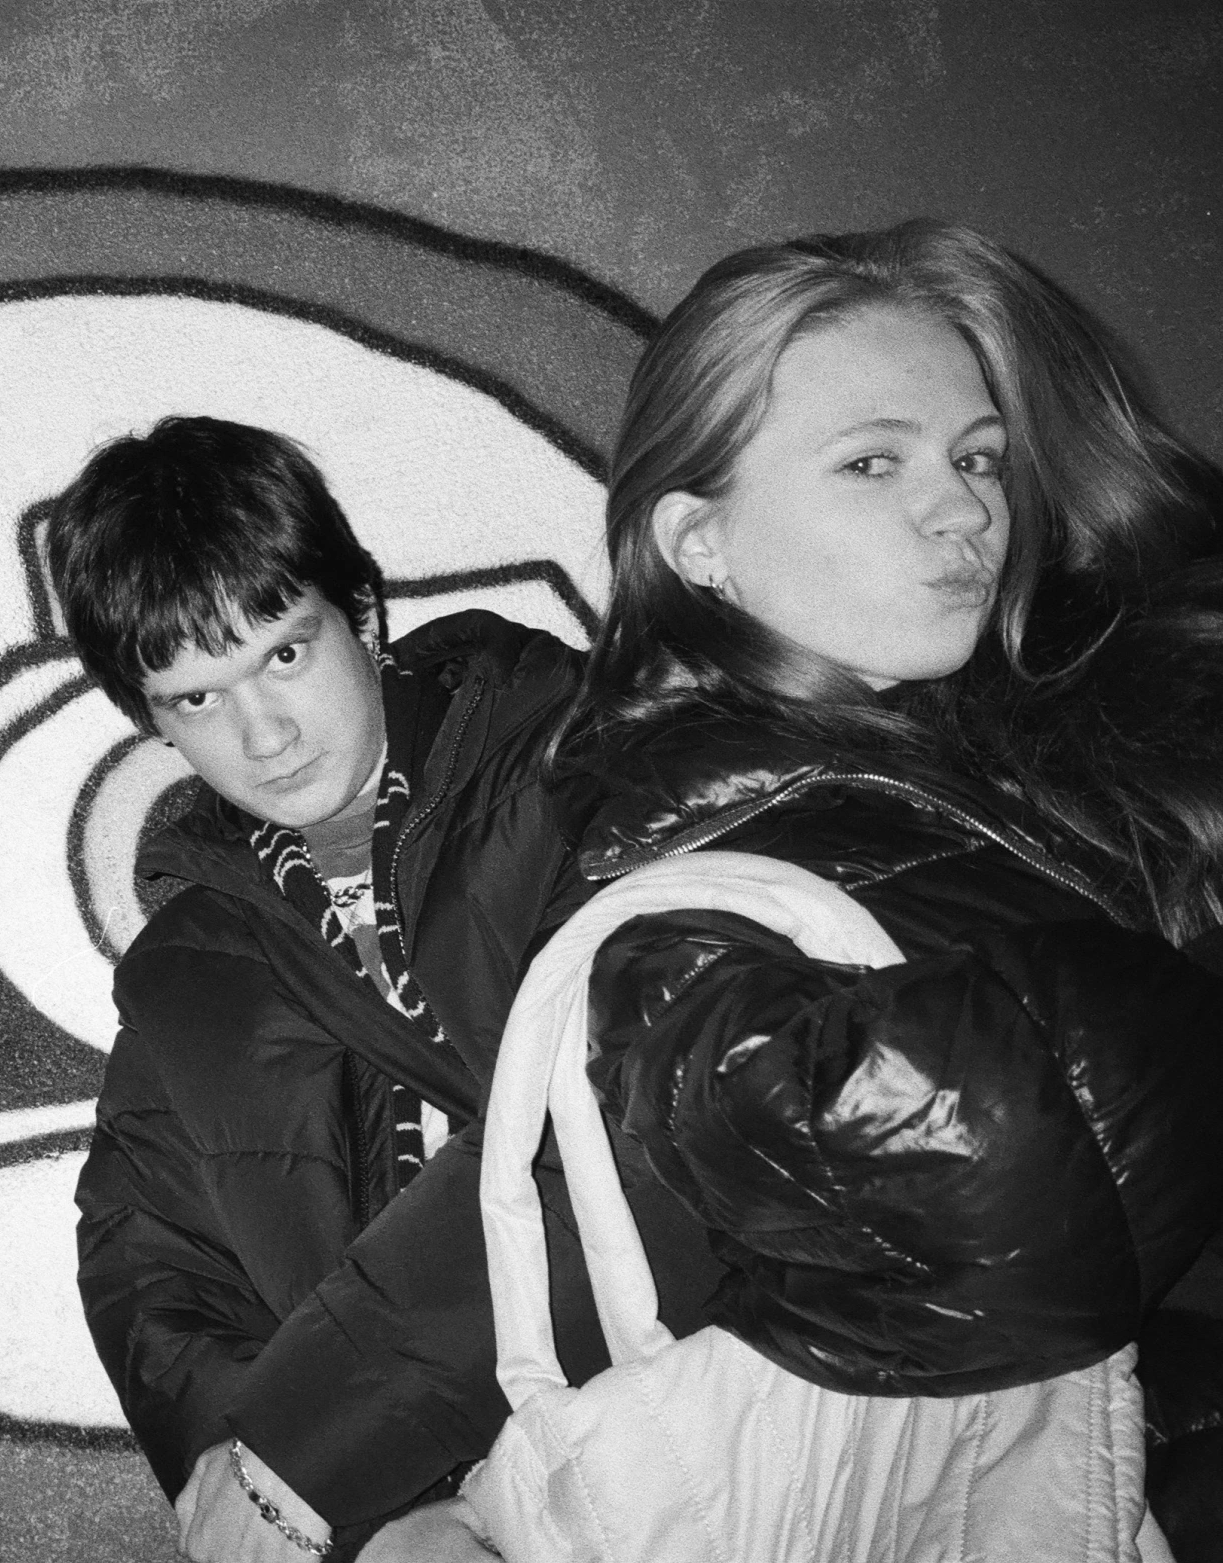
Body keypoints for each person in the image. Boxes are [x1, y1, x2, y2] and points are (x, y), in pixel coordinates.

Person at [521, 218, 1223, 1551]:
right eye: (870, 460)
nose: (960, 504)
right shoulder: (690, 859)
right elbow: (993, 1181)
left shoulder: (1030, 742)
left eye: (975, 458)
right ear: (696, 544)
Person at [52, 416, 721, 1561]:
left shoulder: (594, 771)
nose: (262, 735)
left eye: (283, 654)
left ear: (362, 617)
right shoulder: (187, 970)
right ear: (149, 723)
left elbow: (656, 1129)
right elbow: (148, 1267)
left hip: (714, 1450)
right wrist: (371, 1525)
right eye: (196, 701)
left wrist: (310, 1461)